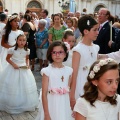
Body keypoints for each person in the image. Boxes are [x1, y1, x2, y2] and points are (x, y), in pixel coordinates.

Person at [0, 34, 39, 114]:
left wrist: (28, 65)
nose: (22, 42)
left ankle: (24, 103)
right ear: (17, 41)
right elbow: (7, 59)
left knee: (25, 85)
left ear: (26, 42)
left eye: (23, 40)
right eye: (20, 40)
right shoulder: (12, 50)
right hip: (13, 68)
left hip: (23, 68)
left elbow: (27, 59)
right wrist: (13, 64)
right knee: (13, 85)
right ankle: (12, 104)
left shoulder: (27, 50)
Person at [35, 41, 73, 120]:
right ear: (50, 54)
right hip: (51, 104)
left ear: (65, 54)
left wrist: (70, 107)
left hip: (64, 104)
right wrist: (46, 114)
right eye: (54, 52)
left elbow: (68, 90)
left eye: (60, 52)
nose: (57, 55)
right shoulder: (47, 71)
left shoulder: (69, 71)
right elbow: (44, 94)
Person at [70, 15, 99, 110]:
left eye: (97, 29)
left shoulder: (96, 48)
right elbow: (74, 74)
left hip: (93, 83)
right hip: (81, 83)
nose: (97, 33)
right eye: (95, 30)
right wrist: (72, 95)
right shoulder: (78, 50)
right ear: (86, 31)